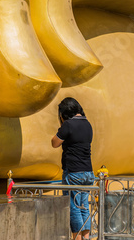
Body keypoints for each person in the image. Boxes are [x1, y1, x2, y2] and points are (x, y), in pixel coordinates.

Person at [52, 97, 94, 240]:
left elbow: (54, 143)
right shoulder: (88, 124)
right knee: (84, 208)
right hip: (88, 173)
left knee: (74, 208)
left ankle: (76, 238)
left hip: (74, 172)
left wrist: (62, 124)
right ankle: (86, 238)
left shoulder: (68, 125)